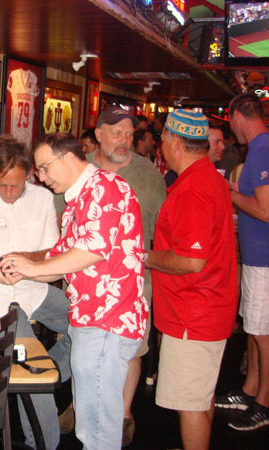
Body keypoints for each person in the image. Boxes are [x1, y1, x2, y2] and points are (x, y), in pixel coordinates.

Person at [1, 133, 149, 450]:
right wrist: (21, 271)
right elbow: (62, 263)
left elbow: (92, 250)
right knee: (92, 423)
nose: (41, 177)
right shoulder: (78, 200)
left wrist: (32, 269)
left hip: (107, 321)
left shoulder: (105, 189)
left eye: (44, 168)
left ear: (68, 158)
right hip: (91, 320)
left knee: (96, 429)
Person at [0, 137, 69, 449]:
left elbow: (53, 252)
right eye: (3, 185)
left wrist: (24, 262)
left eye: (16, 185)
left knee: (92, 325)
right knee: (31, 361)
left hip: (36, 287)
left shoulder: (43, 197)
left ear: (29, 175)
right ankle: (44, 443)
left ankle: (40, 369)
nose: (10, 192)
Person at [146, 109, 237, 450]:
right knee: (200, 396)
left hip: (193, 314)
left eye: (163, 141)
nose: (161, 148)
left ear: (174, 142)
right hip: (208, 308)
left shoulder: (192, 189)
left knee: (190, 405)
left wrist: (146, 257)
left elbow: (190, 260)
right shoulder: (208, 177)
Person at [88, 106, 166, 446]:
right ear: (98, 134)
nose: (124, 140)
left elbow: (161, 226)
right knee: (87, 348)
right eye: (116, 133)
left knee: (132, 349)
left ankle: (122, 414)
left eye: (129, 134)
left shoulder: (147, 173)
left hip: (135, 279)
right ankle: (84, 405)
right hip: (87, 279)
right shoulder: (80, 168)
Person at [215, 93, 269, 431]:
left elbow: (266, 210)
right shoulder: (260, 148)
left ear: (236, 116)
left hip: (264, 258)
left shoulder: (262, 148)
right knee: (254, 328)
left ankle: (264, 404)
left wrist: (231, 194)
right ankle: (250, 391)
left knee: (263, 335)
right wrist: (238, 188)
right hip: (257, 257)